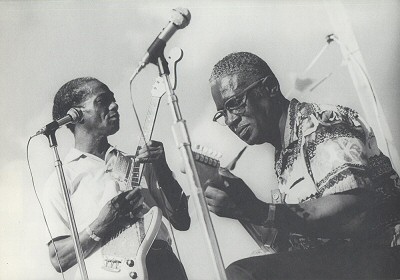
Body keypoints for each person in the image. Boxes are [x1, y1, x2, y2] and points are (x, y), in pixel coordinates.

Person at [205, 52, 400, 279]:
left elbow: (355, 214)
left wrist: (258, 210)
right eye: (222, 113)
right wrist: (241, 206)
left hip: (384, 255)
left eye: (235, 103)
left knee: (244, 273)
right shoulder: (284, 157)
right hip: (348, 261)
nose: (230, 120)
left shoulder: (322, 122)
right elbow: (292, 239)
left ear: (270, 88)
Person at [42, 77, 190, 280]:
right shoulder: (61, 179)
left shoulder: (138, 163)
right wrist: (101, 224)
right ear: (75, 115)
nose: (114, 105)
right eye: (102, 100)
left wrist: (162, 167)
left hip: (165, 267)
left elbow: (182, 220)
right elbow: (59, 258)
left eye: (113, 99)